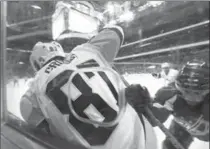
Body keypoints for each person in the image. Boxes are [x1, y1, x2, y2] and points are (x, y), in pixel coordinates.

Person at [20, 25, 157, 149]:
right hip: (139, 139)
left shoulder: (32, 93)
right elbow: (116, 31)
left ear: (36, 66)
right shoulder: (86, 52)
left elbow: (45, 137)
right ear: (59, 50)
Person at [132, 60, 209, 149]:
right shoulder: (170, 94)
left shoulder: (171, 90)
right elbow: (154, 118)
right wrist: (143, 105)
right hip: (183, 126)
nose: (190, 98)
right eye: (186, 91)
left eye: (198, 93)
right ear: (177, 87)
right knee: (169, 147)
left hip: (186, 122)